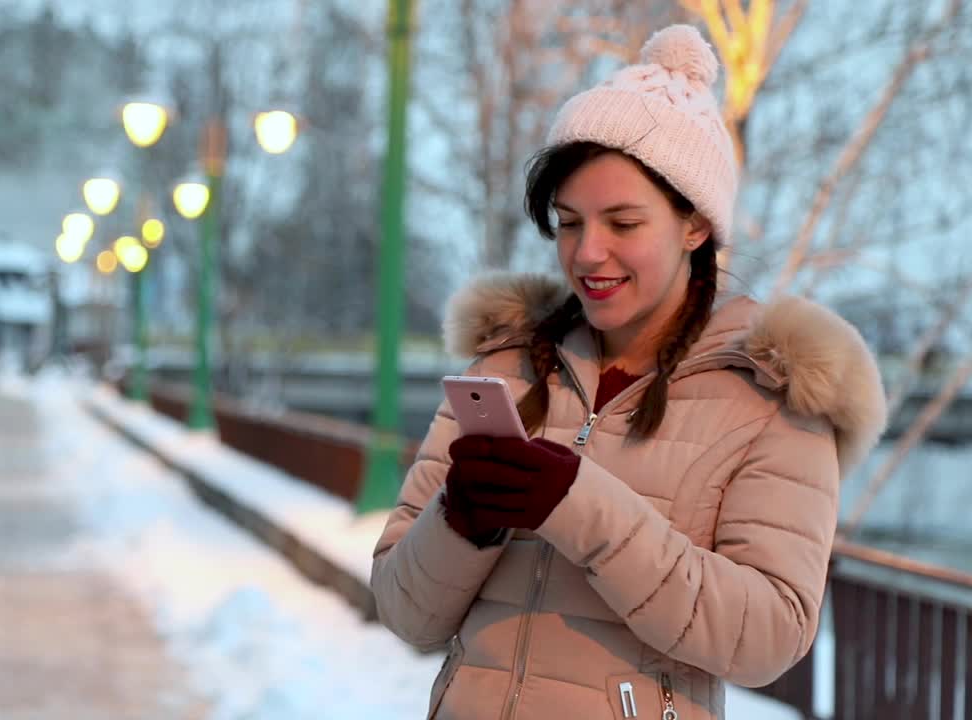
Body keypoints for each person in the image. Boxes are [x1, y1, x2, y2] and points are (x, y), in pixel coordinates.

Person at [370, 25, 888, 720]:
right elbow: (406, 614)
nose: (588, 253)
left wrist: (579, 508)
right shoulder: (506, 367)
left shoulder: (774, 397)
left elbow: (770, 635)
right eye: (569, 222)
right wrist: (461, 519)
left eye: (623, 222)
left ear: (695, 226)